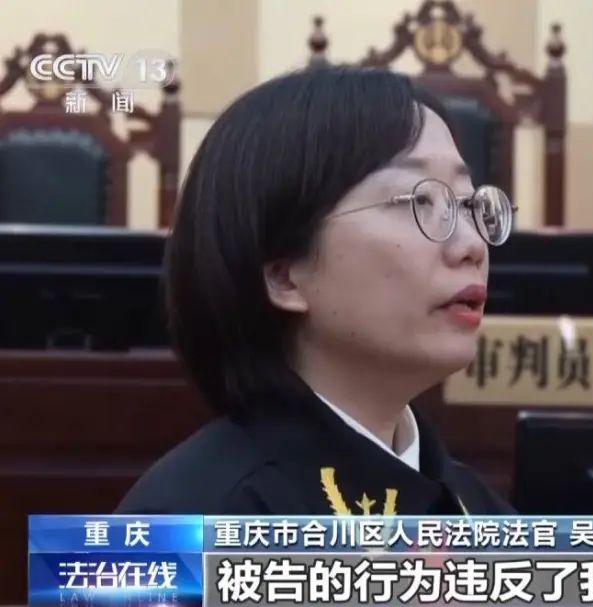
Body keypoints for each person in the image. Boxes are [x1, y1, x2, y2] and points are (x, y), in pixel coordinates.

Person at [116, 67, 515, 515]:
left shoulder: (475, 507)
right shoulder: (191, 520)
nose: (472, 245)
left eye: (467, 203)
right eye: (420, 201)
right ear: (285, 277)